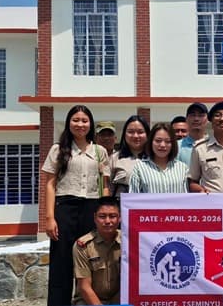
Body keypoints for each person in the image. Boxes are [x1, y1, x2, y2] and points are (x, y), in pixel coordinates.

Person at [41, 105, 111, 306]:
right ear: (69, 123)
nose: (80, 124)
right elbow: (50, 184)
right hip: (65, 208)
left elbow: (105, 186)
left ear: (91, 124)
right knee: (61, 264)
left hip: (91, 209)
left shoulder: (100, 152)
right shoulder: (58, 149)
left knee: (91, 262)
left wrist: (104, 213)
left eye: (84, 120)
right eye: (76, 120)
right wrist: (49, 217)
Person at [72, 196, 121, 305]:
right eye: (102, 216)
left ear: (120, 218)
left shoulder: (128, 242)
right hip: (88, 300)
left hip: (118, 300)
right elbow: (84, 287)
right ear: (95, 218)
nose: (107, 221)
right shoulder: (83, 245)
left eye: (112, 216)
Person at [130, 122, 189, 193]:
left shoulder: (182, 168)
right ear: (151, 142)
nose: (162, 145)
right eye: (158, 141)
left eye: (167, 141)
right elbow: (133, 199)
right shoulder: (139, 168)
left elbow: (185, 198)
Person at [109, 116, 148, 196]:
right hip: (121, 205)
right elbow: (108, 187)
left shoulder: (156, 158)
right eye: (131, 132)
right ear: (124, 134)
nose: (136, 136)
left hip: (149, 206)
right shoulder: (115, 158)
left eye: (140, 132)